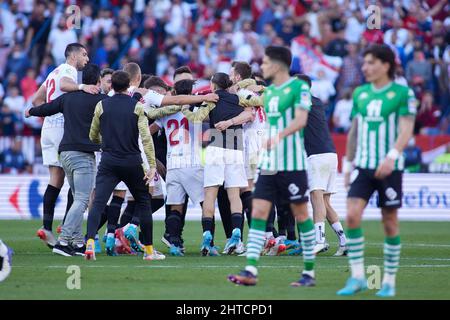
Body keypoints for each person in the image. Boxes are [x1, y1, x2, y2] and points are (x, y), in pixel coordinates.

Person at [227, 46, 316, 287]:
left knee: (300, 213)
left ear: (277, 64)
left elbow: (301, 120)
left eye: (266, 62)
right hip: (269, 162)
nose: (262, 66)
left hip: (293, 163)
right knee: (258, 211)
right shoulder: (272, 91)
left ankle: (309, 273)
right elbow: (254, 99)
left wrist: (279, 136)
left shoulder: (300, 87)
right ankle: (250, 270)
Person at [338, 44, 416, 297]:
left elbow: (406, 128)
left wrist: (392, 156)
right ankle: (358, 277)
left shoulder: (403, 93)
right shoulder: (360, 93)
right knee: (351, 216)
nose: (365, 67)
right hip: (364, 165)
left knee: (389, 222)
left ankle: (389, 281)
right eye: (364, 63)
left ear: (386, 65)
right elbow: (354, 131)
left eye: (371, 62)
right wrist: (348, 166)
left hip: (390, 168)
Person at [26, 64, 107, 257]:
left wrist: (31, 111)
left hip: (65, 154)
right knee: (82, 199)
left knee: (76, 194)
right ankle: (63, 241)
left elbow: (46, 108)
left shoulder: (67, 98)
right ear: (97, 81)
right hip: (83, 154)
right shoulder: (101, 100)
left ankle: (78, 243)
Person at [84, 71, 164, 261]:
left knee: (98, 203)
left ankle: (89, 245)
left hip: (109, 161)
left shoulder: (101, 105)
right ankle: (150, 251)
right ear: (129, 87)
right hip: (132, 161)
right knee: (144, 203)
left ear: (111, 86)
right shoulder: (137, 106)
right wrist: (151, 165)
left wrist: (103, 141)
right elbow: (146, 138)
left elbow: (92, 135)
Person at [181, 72, 257, 256]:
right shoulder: (239, 98)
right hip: (235, 145)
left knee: (210, 194)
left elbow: (197, 117)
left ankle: (207, 237)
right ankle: (236, 235)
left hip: (216, 144)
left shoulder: (211, 99)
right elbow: (251, 113)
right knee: (234, 195)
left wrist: (185, 108)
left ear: (214, 85)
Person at [296, 74, 347, 257]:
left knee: (316, 197)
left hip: (317, 155)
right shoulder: (316, 101)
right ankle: (344, 241)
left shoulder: (304, 100)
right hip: (330, 153)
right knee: (325, 201)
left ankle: (319, 241)